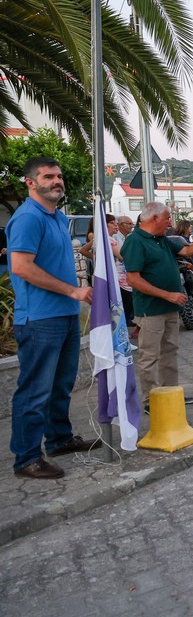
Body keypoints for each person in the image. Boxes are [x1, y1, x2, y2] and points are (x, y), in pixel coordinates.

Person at [7, 157, 95, 479]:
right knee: (34, 390)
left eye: (58, 176)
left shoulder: (57, 216)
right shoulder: (29, 217)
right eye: (48, 176)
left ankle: (59, 439)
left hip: (66, 315)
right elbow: (20, 267)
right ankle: (27, 458)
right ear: (31, 182)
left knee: (61, 384)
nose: (56, 181)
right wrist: (73, 292)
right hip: (40, 319)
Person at [121, 202, 193, 407]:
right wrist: (167, 295)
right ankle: (150, 401)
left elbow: (187, 252)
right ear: (154, 218)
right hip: (151, 309)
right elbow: (133, 279)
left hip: (170, 307)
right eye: (167, 217)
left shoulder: (161, 239)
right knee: (149, 356)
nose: (170, 221)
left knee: (169, 351)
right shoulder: (135, 241)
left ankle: (169, 393)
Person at [80, 213, 133, 328]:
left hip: (108, 276)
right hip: (115, 277)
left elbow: (83, 250)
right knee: (117, 306)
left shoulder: (103, 238)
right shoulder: (108, 240)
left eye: (116, 223)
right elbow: (122, 256)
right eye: (112, 223)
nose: (116, 226)